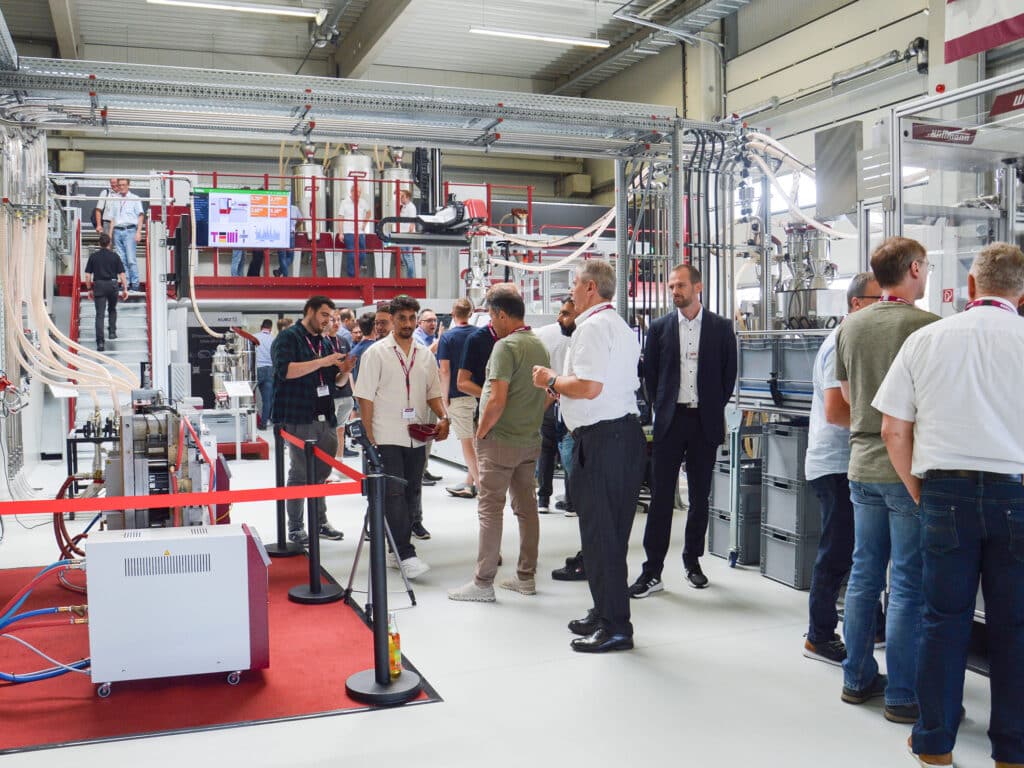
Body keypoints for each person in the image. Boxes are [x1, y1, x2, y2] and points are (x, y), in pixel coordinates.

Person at [873, 242, 1024, 768]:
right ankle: (1012, 750)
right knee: (1014, 626)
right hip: (1017, 496)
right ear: (1021, 294)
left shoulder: (927, 339)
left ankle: (934, 744)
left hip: (944, 492)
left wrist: (920, 491)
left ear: (971, 286)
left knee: (941, 620)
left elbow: (892, 430)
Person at [834, 236, 938, 723]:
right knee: (908, 583)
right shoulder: (927, 326)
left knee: (864, 574)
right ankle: (902, 694)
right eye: (926, 266)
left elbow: (848, 396)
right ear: (914, 269)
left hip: (861, 465)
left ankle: (856, 679)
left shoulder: (850, 326)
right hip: (905, 468)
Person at [532, 260, 646, 654]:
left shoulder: (593, 328)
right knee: (606, 537)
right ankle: (604, 611)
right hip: (618, 438)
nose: (571, 292)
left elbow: (589, 387)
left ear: (591, 288)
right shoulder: (618, 326)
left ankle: (616, 628)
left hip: (603, 441)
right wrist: (563, 389)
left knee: (602, 538)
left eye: (575, 284)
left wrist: (550, 379)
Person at [630, 264, 737, 597]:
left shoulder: (721, 328)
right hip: (670, 421)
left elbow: (728, 375)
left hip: (704, 422)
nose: (675, 291)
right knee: (661, 497)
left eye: (680, 285)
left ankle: (693, 562)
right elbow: (650, 376)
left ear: (698, 287)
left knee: (700, 498)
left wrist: (710, 405)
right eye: (672, 286)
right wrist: (662, 406)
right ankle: (652, 570)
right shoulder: (659, 328)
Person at [801, 273, 882, 665]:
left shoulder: (859, 340)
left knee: (861, 549)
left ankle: (875, 625)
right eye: (878, 300)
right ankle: (819, 636)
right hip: (834, 463)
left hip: (850, 461)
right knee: (837, 550)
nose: (885, 307)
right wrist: (884, 426)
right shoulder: (839, 344)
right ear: (856, 303)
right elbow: (835, 411)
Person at [449, 288, 550, 602]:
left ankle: (483, 583)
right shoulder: (539, 345)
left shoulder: (505, 347)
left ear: (502, 315)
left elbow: (496, 399)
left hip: (500, 440)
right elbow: (548, 393)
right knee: (527, 509)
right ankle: (526, 577)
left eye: (492, 316)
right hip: (529, 440)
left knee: (490, 510)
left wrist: (481, 432)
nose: (491, 322)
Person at [353, 295, 449, 580]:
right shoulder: (376, 353)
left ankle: (396, 550)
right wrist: (369, 436)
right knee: (394, 494)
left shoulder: (425, 354)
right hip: (386, 434)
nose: (407, 323)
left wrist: (444, 417)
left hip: (416, 435)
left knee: (411, 493)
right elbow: (365, 397)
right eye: (402, 318)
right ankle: (405, 554)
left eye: (411, 318)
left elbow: (433, 392)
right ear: (392, 320)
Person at [271, 295, 353, 545]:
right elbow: (286, 371)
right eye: (324, 315)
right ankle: (296, 527)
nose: (328, 321)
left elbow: (333, 381)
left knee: (321, 473)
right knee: (300, 472)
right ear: (310, 311)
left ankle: (320, 522)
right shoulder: (288, 338)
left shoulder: (324, 342)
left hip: (325, 415)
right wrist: (323, 361)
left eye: (331, 316)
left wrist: (345, 371)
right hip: (298, 415)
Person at [534, 298, 575, 512]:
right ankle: (571, 501)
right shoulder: (581, 336)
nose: (560, 317)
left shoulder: (542, 333)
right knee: (569, 451)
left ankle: (543, 499)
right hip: (569, 398)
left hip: (549, 397)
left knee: (546, 450)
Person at [438, 298, 480, 499]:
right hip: (480, 394)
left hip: (459, 396)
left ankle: (483, 488)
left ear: (453, 314)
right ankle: (469, 484)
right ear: (471, 313)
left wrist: (444, 397)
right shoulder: (480, 334)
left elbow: (444, 370)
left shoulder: (447, 337)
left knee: (467, 444)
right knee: (477, 443)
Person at [83, 233, 128, 353]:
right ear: (109, 243)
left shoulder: (93, 257)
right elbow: (122, 274)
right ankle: (112, 332)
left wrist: (89, 289)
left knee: (100, 314)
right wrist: (125, 289)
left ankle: (100, 343)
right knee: (112, 309)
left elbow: (87, 275)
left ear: (99, 243)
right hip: (112, 285)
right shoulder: (115, 256)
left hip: (99, 285)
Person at [103, 178, 145, 292]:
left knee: (131, 259)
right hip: (117, 231)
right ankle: (125, 284)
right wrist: (110, 235)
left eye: (124, 185)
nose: (121, 187)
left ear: (128, 185)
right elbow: (112, 218)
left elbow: (141, 216)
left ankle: (135, 285)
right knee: (121, 260)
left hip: (130, 230)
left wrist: (139, 232)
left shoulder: (135, 198)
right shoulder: (115, 199)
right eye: (120, 185)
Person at [328, 309, 355, 466]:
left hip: (345, 393)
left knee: (341, 428)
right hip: (330, 394)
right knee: (329, 430)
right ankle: (328, 463)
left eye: (338, 319)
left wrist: (353, 391)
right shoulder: (321, 341)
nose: (336, 323)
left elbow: (348, 368)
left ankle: (339, 462)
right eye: (333, 319)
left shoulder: (343, 341)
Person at [340, 185, 371, 278]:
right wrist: (341, 233)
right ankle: (352, 276)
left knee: (362, 254)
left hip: (360, 232)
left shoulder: (363, 202)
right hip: (348, 232)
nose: (358, 194)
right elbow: (340, 218)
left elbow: (369, 212)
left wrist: (364, 224)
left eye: (360, 192)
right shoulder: (344, 202)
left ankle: (354, 272)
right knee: (352, 254)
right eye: (357, 192)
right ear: (352, 192)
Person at [254, 318, 275, 431]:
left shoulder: (254, 337)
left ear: (261, 327)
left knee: (249, 398)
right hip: (270, 370)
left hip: (257, 369)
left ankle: (249, 423)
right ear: (271, 328)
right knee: (267, 400)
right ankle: (263, 424)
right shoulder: (274, 339)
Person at [273, 203, 303, 277]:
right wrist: (294, 227)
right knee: (290, 257)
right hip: (290, 234)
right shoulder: (295, 208)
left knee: (282, 257)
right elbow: (301, 220)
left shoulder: (278, 207)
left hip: (280, 234)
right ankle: (283, 275)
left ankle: (281, 273)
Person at [399, 189, 418, 278]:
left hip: (407, 235)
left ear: (407, 198)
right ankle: (409, 277)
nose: (401, 198)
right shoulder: (403, 207)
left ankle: (410, 278)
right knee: (404, 257)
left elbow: (412, 222)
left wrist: (409, 235)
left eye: (402, 196)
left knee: (408, 257)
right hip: (403, 234)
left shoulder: (411, 207)